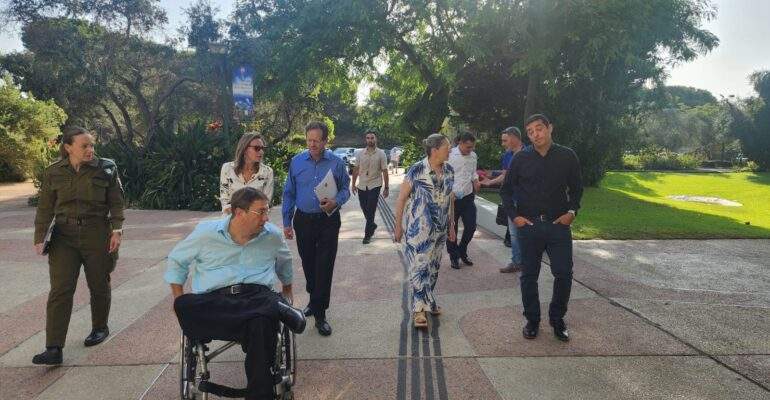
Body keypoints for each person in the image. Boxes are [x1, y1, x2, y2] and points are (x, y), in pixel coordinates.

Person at [166, 187, 306, 400]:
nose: (266, 218)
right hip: (217, 302)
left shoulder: (272, 235)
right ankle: (278, 309)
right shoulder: (206, 233)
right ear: (239, 212)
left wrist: (287, 289)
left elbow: (285, 261)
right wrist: (177, 296)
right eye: (261, 212)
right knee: (184, 304)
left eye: (267, 211)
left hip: (256, 298)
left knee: (261, 319)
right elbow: (177, 260)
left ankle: (260, 394)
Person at [31, 126, 125, 365]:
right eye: (85, 145)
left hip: (97, 233)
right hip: (64, 236)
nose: (90, 150)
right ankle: (53, 347)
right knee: (60, 290)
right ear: (68, 148)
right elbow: (45, 207)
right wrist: (39, 236)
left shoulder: (106, 168)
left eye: (92, 145)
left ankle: (100, 327)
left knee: (98, 283)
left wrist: (117, 230)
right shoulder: (54, 172)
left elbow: (116, 201)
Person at [501, 114, 583, 342]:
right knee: (528, 276)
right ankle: (532, 320)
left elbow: (577, 189)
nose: (536, 134)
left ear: (550, 128)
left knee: (564, 273)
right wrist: (515, 217)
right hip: (529, 227)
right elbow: (506, 191)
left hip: (558, 226)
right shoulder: (520, 159)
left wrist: (572, 212)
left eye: (539, 128)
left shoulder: (567, 156)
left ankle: (557, 320)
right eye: (530, 131)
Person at [282, 121, 350, 336]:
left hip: (328, 220)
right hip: (303, 220)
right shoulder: (296, 162)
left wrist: (336, 201)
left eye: (316, 140)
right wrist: (286, 221)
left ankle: (320, 314)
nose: (311, 144)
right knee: (309, 263)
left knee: (325, 265)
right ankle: (313, 299)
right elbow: (289, 193)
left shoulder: (337, 164)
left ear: (325, 141)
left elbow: (346, 189)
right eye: (309, 140)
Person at [394, 134, 456, 329]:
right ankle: (418, 311)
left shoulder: (449, 171)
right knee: (419, 269)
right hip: (419, 231)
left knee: (433, 268)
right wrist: (398, 226)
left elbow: (450, 199)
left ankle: (429, 301)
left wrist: (452, 225)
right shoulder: (417, 169)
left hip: (440, 230)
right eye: (447, 146)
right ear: (435, 150)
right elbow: (402, 198)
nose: (450, 149)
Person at [480, 126, 525, 272]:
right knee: (514, 233)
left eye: (505, 140)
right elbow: (505, 175)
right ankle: (517, 262)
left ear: (514, 137)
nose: (503, 144)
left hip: (530, 201)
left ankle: (529, 262)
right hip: (512, 201)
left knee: (530, 233)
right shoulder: (507, 156)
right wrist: (490, 182)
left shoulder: (530, 153)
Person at [446, 132, 480, 269]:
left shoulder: (473, 156)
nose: (470, 150)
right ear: (460, 143)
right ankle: (454, 256)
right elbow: (442, 174)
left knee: (471, 226)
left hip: (467, 196)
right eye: (467, 147)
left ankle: (462, 250)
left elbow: (473, 172)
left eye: (472, 147)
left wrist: (476, 180)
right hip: (452, 198)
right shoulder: (449, 155)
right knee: (451, 229)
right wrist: (448, 192)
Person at [351, 130, 389, 244]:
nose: (370, 140)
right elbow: (356, 169)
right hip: (362, 185)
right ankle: (372, 225)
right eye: (368, 138)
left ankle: (367, 235)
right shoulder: (360, 153)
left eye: (372, 138)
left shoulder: (381, 153)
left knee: (371, 209)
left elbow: (385, 171)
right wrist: (353, 184)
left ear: (376, 139)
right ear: (365, 139)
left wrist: (386, 187)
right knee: (364, 208)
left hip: (375, 184)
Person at [220, 132, 274, 212]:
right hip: (232, 219)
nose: (261, 152)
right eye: (257, 148)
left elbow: (265, 204)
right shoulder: (227, 169)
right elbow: (224, 202)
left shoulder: (267, 172)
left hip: (255, 220)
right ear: (244, 149)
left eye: (263, 148)